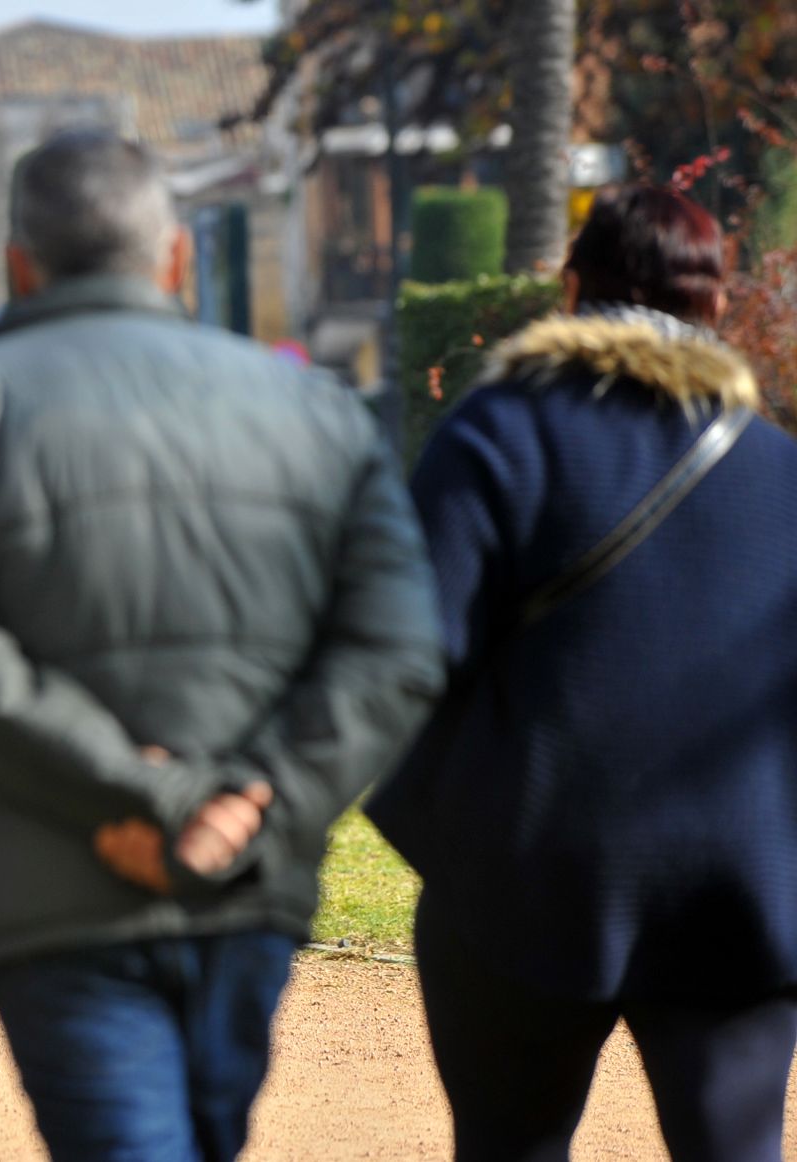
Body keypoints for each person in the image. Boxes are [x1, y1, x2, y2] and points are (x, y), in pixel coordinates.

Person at [0, 130, 444, 1160]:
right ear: (175, 257)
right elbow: (396, 646)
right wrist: (243, 805)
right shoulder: (312, 409)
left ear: (17, 266)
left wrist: (143, 793)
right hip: (242, 873)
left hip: (53, 876)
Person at [366, 184, 797, 1162]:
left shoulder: (494, 435)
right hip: (738, 888)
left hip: (524, 877)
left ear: (569, 288)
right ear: (716, 304)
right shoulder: (780, 468)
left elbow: (399, 655)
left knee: (509, 1143)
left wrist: (443, 831)